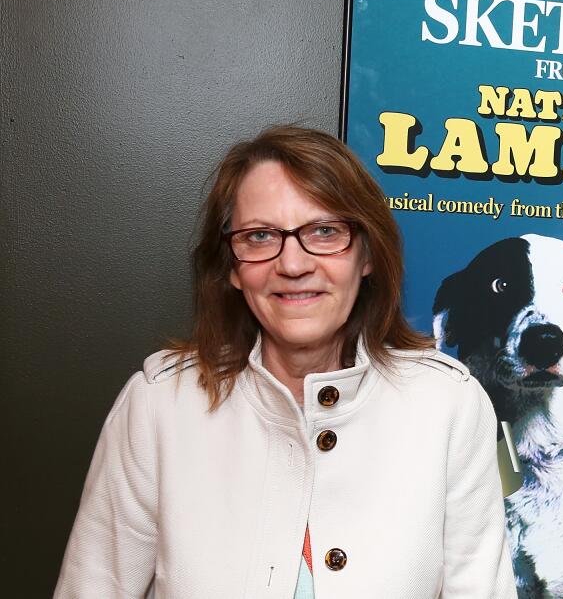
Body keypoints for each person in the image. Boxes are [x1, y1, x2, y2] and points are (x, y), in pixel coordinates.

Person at [56, 126, 517, 598]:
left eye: (325, 231)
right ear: (233, 267)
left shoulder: (447, 405)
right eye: (260, 236)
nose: (293, 265)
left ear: (367, 255)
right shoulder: (158, 406)